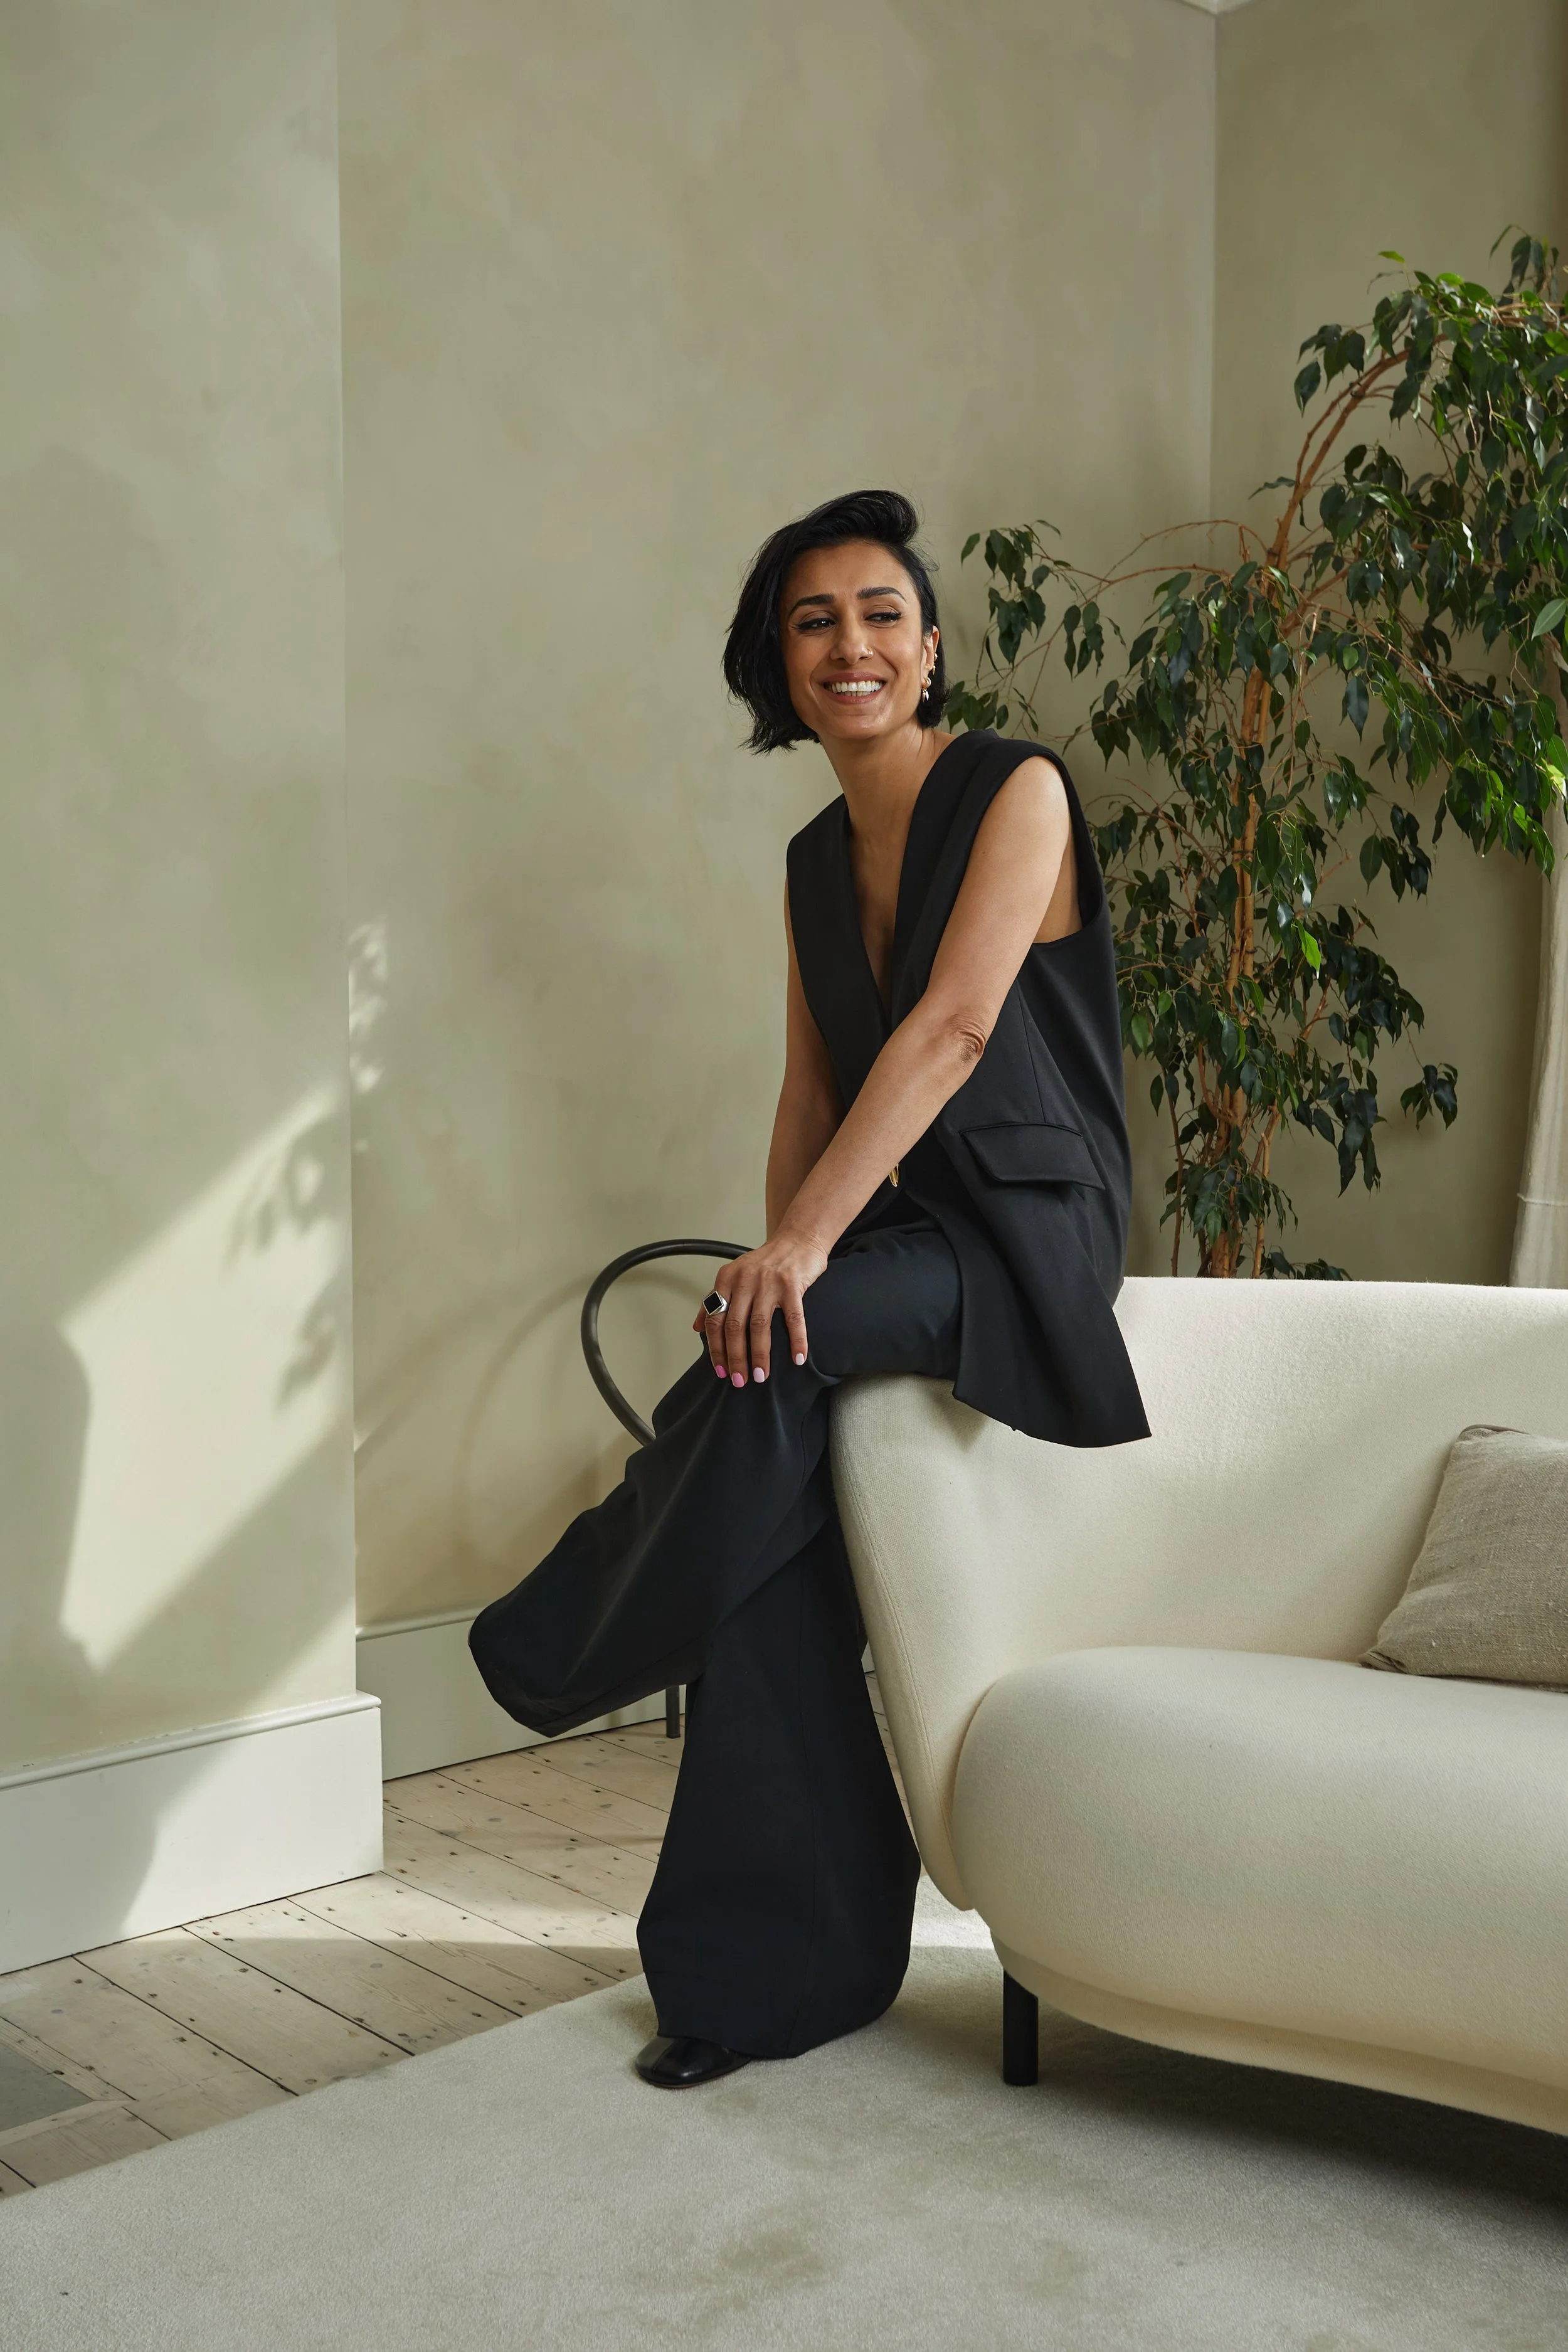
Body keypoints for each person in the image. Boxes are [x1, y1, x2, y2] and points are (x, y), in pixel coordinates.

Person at [469, 489, 1149, 2089]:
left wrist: (800, 1258)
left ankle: (568, 1631)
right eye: (810, 622)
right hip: (891, 1232)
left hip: (1023, 1238)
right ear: (775, 670)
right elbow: (804, 1093)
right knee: (771, 1503)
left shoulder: (1017, 789)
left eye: (877, 616)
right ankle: (763, 1985)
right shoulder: (804, 860)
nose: (848, 643)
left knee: (779, 1352)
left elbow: (952, 1034)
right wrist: (772, 1273)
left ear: (927, 653)